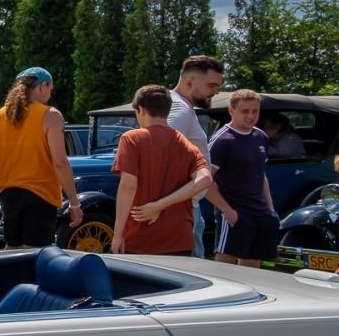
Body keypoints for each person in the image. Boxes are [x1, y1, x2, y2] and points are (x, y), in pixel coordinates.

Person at [0, 66, 82, 247]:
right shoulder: (51, 115)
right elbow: (60, 162)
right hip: (41, 194)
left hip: (9, 194)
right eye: (50, 89)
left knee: (13, 251)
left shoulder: (0, 115)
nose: (50, 94)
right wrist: (74, 203)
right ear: (42, 86)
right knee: (37, 255)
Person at [110, 85, 213, 256]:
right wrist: (160, 205)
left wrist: (117, 235)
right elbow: (205, 179)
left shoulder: (131, 138)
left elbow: (128, 187)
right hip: (179, 238)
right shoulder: (185, 143)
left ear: (140, 110)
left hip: (139, 236)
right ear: (167, 109)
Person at [206, 89, 281, 268]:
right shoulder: (222, 140)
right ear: (232, 111)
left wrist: (270, 209)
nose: (250, 116)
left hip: (259, 210)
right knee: (226, 265)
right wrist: (227, 211)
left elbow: (261, 175)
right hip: (235, 210)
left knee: (252, 263)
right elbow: (205, 182)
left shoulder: (260, 136)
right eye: (245, 111)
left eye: (255, 111)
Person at [168, 55, 225, 258]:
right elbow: (159, 146)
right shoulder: (180, 109)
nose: (216, 92)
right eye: (211, 85)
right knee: (193, 278)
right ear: (190, 81)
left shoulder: (178, 105)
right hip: (183, 209)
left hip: (186, 206)